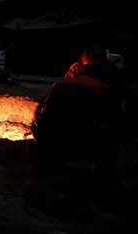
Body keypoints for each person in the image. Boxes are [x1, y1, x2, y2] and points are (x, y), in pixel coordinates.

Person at [30, 46, 125, 196]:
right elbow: (116, 123)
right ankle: (103, 186)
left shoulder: (62, 84)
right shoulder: (101, 91)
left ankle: (46, 173)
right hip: (71, 143)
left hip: (46, 142)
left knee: (40, 130)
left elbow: (38, 114)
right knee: (110, 144)